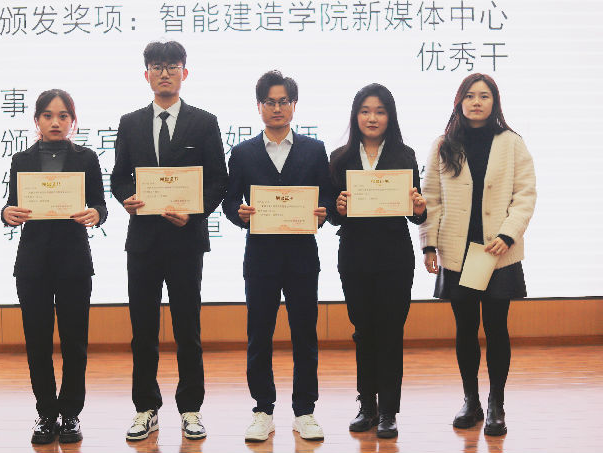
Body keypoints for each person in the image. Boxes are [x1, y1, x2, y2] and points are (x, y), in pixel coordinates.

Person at [111, 41, 227, 441]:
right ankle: (145, 408)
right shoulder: (130, 122)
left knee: (187, 330)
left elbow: (218, 180)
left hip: (185, 240)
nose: (164, 73)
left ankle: (191, 408)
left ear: (184, 73)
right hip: (143, 242)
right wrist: (126, 198)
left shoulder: (204, 122)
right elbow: (119, 177)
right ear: (146, 74)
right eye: (157, 66)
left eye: (172, 66)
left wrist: (195, 212)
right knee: (142, 330)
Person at [419, 73, 536, 436]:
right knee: (466, 329)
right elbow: (431, 197)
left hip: (496, 252)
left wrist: (508, 234)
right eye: (470, 96)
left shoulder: (511, 142)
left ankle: (496, 402)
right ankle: (470, 400)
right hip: (457, 252)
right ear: (459, 101)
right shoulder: (444, 144)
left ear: (494, 102)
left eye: (484, 96)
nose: (476, 102)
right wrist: (428, 243)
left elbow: (525, 193)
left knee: (497, 328)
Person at [223, 70, 332, 442]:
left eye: (283, 101)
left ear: (294, 105)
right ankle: (263, 410)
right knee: (259, 335)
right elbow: (229, 201)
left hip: (302, 258)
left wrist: (323, 211)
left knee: (305, 335)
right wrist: (238, 213)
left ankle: (305, 411)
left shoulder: (314, 149)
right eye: (269, 101)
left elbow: (328, 196)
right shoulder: (243, 152)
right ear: (259, 106)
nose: (277, 108)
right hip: (261, 259)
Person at [1, 89, 107, 444]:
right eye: (48, 115)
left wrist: (96, 214)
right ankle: (46, 413)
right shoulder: (22, 159)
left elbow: (100, 205)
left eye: (63, 116)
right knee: (37, 342)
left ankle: (71, 413)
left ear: (72, 121)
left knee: (75, 342)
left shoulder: (86, 158)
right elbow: (11, 205)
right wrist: (6, 213)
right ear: (37, 121)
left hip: (74, 262)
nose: (55, 122)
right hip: (33, 264)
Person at [329, 83, 427, 438]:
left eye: (380, 111)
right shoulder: (340, 158)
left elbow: (415, 214)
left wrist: (420, 208)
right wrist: (338, 208)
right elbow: (332, 215)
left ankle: (388, 410)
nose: (372, 118)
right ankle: (366, 405)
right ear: (356, 115)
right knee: (363, 331)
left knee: (390, 332)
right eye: (366, 111)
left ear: (390, 116)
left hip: (394, 259)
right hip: (355, 258)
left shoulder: (404, 156)